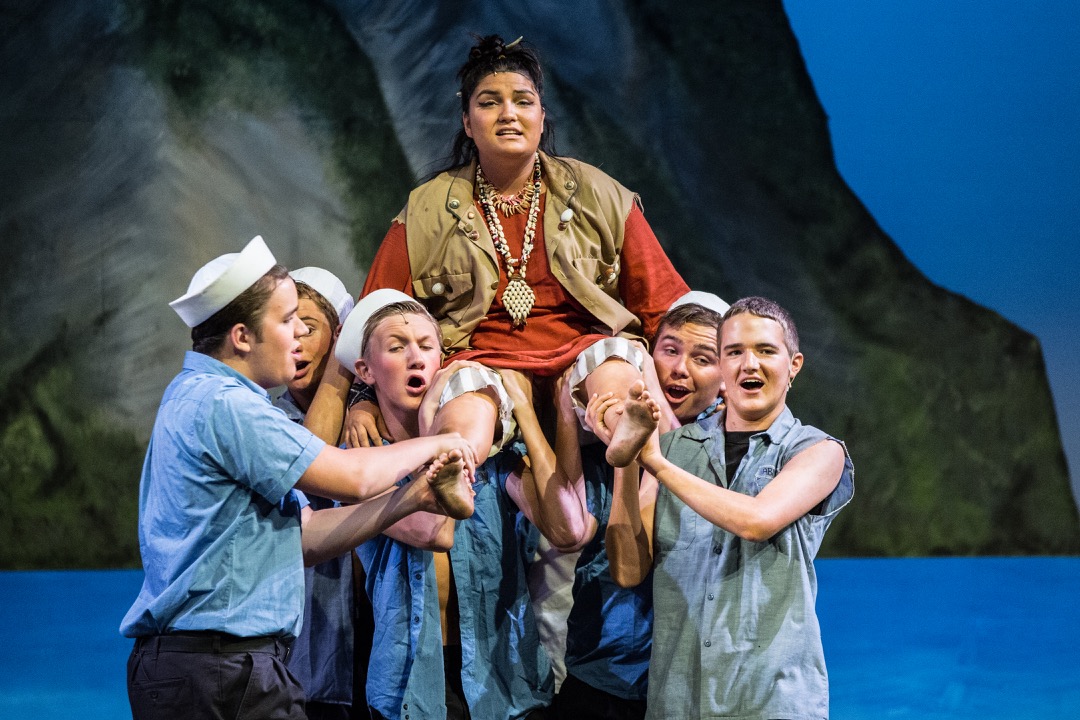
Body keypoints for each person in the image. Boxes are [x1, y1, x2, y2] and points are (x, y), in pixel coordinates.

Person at [120, 236, 476, 720]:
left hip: (217, 666)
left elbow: (303, 537)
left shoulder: (199, 394)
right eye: (287, 321)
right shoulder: (227, 405)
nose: (298, 336)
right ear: (242, 337)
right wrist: (441, 442)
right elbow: (352, 476)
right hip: (221, 669)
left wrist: (409, 498)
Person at [358, 33, 689, 469]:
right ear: (467, 122)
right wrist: (362, 399)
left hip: (584, 354)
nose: (508, 114)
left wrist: (703, 375)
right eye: (489, 102)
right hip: (482, 362)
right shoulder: (426, 210)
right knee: (468, 401)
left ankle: (621, 425)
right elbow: (375, 316)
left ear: (542, 117)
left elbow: (664, 304)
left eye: (523, 101)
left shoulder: (600, 194)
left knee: (611, 366)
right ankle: (454, 466)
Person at [334, 289, 603, 720]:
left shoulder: (488, 455)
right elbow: (432, 529)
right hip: (414, 686)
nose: (415, 358)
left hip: (504, 680)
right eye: (397, 347)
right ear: (365, 370)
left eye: (426, 346)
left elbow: (568, 530)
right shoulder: (357, 464)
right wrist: (431, 427)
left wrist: (527, 416)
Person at [602, 296, 855, 719]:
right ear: (721, 366)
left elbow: (757, 520)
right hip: (678, 702)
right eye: (734, 352)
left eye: (765, 351)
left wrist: (654, 463)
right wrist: (625, 458)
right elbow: (628, 570)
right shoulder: (674, 449)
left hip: (770, 702)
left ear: (793, 365)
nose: (749, 364)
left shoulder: (817, 451)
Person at [540, 291, 729, 719]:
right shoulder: (600, 440)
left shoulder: (724, 457)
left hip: (687, 683)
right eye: (670, 350)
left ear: (725, 378)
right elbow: (568, 524)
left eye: (702, 358)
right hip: (600, 670)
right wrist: (567, 411)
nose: (680, 368)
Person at [272, 267, 365, 720]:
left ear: (341, 335)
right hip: (313, 659)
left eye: (308, 327)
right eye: (285, 327)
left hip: (377, 646)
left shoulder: (375, 411)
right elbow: (312, 461)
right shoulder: (269, 422)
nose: (295, 341)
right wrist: (341, 372)